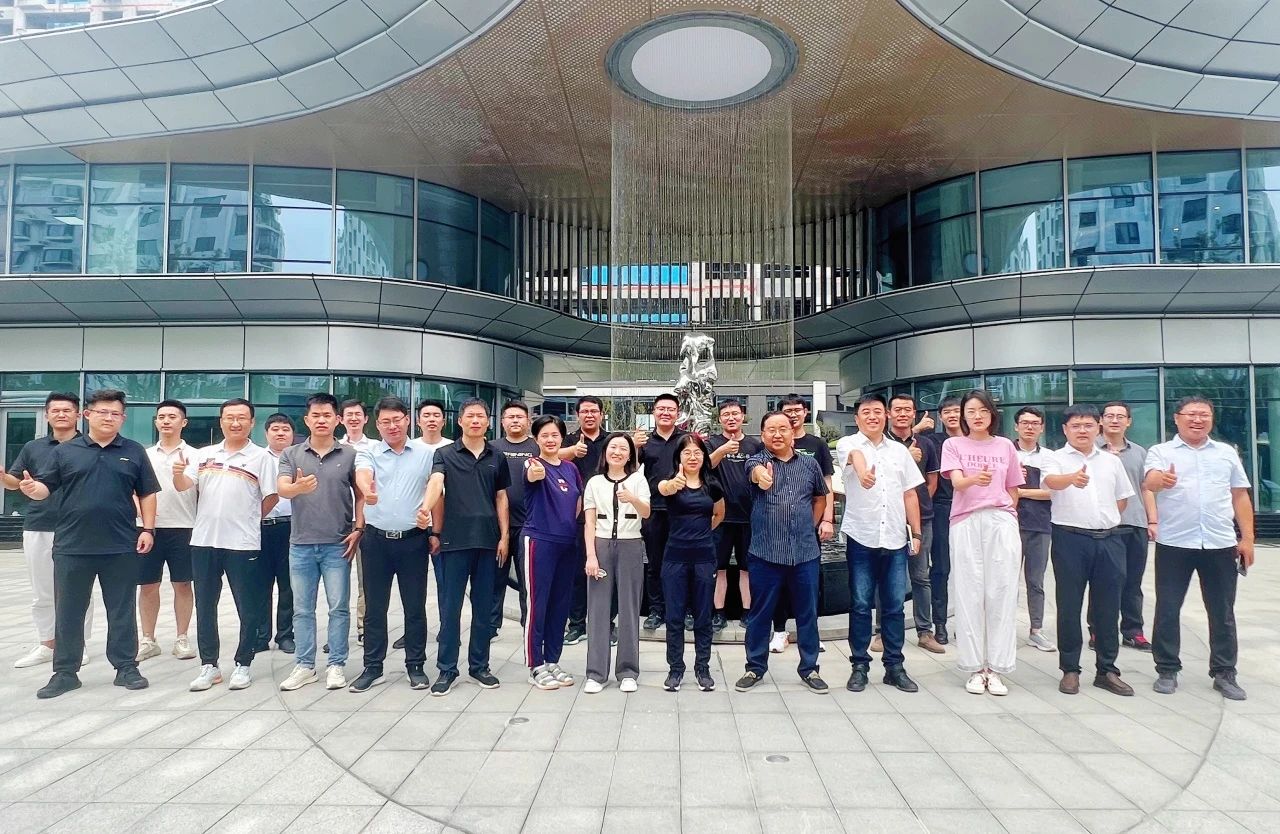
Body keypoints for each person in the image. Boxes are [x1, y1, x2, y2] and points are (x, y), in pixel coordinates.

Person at [20, 388, 161, 699]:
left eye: (115, 413)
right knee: (68, 611)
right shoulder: (66, 451)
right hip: (72, 545)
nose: (109, 418)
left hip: (120, 545)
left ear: (123, 418)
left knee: (121, 609)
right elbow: (45, 489)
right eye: (102, 412)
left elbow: (147, 493)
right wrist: (32, 489)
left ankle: (126, 667)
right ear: (87, 415)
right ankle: (65, 672)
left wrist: (148, 529)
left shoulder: (134, 451)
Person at [1144, 395, 1253, 701]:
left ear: (1211, 419)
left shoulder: (1226, 453)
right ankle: (1167, 669)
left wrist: (1247, 539)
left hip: (1220, 542)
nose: (1197, 420)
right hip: (1175, 543)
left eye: (1204, 414)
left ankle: (1224, 672)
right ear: (1177, 418)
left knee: (1222, 611)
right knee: (1167, 608)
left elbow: (1240, 495)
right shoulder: (1161, 451)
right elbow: (1149, 482)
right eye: (1191, 414)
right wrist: (1161, 479)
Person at [176, 398, 279, 692]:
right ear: (221, 421)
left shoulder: (261, 458)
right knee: (205, 605)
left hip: (242, 543)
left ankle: (243, 663)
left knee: (247, 605)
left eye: (242, 418)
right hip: (204, 540)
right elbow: (184, 486)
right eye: (230, 417)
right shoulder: (204, 454)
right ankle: (209, 665)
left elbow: (271, 496)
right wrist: (176, 474)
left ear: (252, 422)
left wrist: (249, 519)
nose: (236, 423)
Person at [1041, 404, 1135, 696]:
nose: (1082, 430)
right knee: (1069, 606)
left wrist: (1104, 520)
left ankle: (1107, 670)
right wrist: (1071, 479)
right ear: (1065, 429)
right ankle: (1070, 669)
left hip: (1109, 540)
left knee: (1108, 607)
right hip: (1070, 540)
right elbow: (1051, 482)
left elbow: (1122, 499)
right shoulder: (1054, 458)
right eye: (1076, 425)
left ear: (1098, 428)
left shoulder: (1111, 461)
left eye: (1088, 425)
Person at [735, 411, 830, 694]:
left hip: (805, 553)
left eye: (783, 429)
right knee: (760, 614)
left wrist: (809, 525)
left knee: (807, 613)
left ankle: (810, 669)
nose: (777, 434)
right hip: (766, 553)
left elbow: (820, 497)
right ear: (763, 434)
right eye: (771, 430)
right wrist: (762, 477)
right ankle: (755, 667)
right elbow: (755, 473)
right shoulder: (756, 461)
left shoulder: (810, 464)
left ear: (793, 432)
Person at [420, 397, 510, 696]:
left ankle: (479, 666)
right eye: (470, 416)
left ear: (488, 421)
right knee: (451, 608)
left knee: (483, 609)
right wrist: (425, 508)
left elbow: (501, 497)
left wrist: (504, 536)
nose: (475, 420)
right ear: (459, 421)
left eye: (480, 416)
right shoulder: (445, 454)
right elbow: (436, 483)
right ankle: (447, 669)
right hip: (454, 542)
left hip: (488, 541)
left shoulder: (497, 456)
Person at [350, 397, 439, 693]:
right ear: (377, 425)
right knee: (375, 608)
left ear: (407, 420)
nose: (392, 426)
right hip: (376, 541)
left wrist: (431, 521)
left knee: (415, 607)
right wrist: (367, 490)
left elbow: (436, 485)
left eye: (397, 420)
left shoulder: (426, 454)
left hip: (413, 541)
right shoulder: (369, 452)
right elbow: (363, 474)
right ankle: (372, 667)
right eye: (385, 422)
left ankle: (416, 665)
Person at [276, 393, 364, 692]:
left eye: (327, 415)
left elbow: (361, 495)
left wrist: (359, 527)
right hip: (301, 543)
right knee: (302, 609)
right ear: (307, 419)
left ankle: (336, 664)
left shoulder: (350, 454)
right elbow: (282, 489)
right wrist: (297, 487)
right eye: (316, 415)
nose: (321, 420)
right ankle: (305, 665)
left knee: (338, 608)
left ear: (337, 419)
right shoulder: (291, 454)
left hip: (338, 544)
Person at [940, 389, 1024, 696]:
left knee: (1002, 591)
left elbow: (1013, 488)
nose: (977, 416)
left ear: (992, 414)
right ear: (963, 415)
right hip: (966, 521)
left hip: (1000, 521)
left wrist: (1006, 512)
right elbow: (957, 482)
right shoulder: (953, 444)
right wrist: (976, 479)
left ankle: (997, 668)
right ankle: (975, 667)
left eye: (983, 411)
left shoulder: (1005, 446)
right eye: (971, 411)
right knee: (969, 592)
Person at [839, 394, 924, 694]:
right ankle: (859, 666)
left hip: (895, 539)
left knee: (894, 606)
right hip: (861, 537)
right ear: (857, 418)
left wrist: (916, 533)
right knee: (861, 605)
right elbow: (856, 458)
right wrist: (863, 474)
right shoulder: (848, 443)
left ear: (886, 415)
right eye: (866, 412)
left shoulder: (900, 452)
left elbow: (910, 494)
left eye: (877, 411)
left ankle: (894, 666)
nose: (872, 417)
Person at [4, 392, 93, 669]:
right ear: (47, 415)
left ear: (78, 414)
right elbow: (15, 482)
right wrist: (4, 478)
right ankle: (47, 643)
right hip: (39, 524)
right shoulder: (33, 447)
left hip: (80, 527)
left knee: (78, 590)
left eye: (67, 410)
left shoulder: (90, 446)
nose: (61, 414)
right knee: (42, 590)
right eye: (56, 410)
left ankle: (77, 645)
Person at [582, 432, 651, 693]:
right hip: (601, 545)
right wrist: (591, 555)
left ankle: (628, 671)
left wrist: (632, 498)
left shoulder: (638, 480)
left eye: (624, 448)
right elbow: (589, 522)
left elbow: (646, 512)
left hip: (631, 544)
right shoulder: (594, 482)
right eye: (613, 447)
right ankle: (596, 673)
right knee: (598, 609)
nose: (618, 452)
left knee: (629, 608)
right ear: (605, 452)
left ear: (630, 454)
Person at [657, 435, 725, 693]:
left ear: (704, 456)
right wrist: (673, 484)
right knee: (674, 617)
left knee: (703, 616)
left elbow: (719, 514)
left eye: (697, 452)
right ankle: (675, 669)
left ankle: (702, 668)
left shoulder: (712, 485)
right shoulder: (671, 483)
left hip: (704, 557)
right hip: (674, 558)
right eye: (687, 453)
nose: (693, 457)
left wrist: (701, 533)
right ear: (679, 457)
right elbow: (663, 489)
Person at [520, 415, 583, 690]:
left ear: (562, 437)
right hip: (539, 541)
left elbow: (577, 503)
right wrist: (536, 471)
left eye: (555, 435)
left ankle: (552, 660)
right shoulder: (533, 463)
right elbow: (531, 474)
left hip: (567, 544)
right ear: (536, 439)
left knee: (560, 604)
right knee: (538, 604)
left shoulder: (571, 469)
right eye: (544, 435)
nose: (550, 440)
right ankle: (535, 664)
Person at [137, 399, 199, 664]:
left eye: (172, 417)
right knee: (148, 585)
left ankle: (182, 637)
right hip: (148, 529)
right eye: (161, 416)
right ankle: (148, 639)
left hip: (184, 527)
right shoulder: (144, 455)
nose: (166, 421)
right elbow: (133, 489)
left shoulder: (196, 455)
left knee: (183, 584)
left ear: (183, 422)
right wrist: (143, 519)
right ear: (155, 422)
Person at [771, 394, 834, 653]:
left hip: (808, 526)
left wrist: (826, 519)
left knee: (809, 584)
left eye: (797, 410)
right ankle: (779, 631)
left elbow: (826, 485)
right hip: (776, 529)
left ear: (805, 412)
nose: (793, 414)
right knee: (779, 583)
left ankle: (810, 633)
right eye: (788, 410)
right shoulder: (772, 444)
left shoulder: (817, 444)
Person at [1092, 401, 1155, 651]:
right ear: (1101, 420)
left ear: (1128, 421)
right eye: (1109, 416)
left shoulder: (1139, 452)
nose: (1115, 420)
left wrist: (1152, 520)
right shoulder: (1090, 450)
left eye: (1120, 416)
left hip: (1135, 523)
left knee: (1133, 581)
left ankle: (1133, 631)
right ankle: (1098, 631)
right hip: (1104, 525)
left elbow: (1146, 488)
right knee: (1103, 581)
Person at [886, 393, 943, 653]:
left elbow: (932, 482)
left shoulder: (926, 444)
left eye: (907, 409)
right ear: (889, 413)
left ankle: (924, 631)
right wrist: (906, 458)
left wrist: (916, 509)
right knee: (886, 576)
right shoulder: (881, 443)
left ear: (914, 413)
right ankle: (882, 632)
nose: (902, 414)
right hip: (887, 518)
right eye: (897, 409)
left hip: (922, 519)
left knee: (921, 576)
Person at [708, 399, 763, 631]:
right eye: (726, 414)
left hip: (749, 516)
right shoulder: (712, 443)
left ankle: (748, 611)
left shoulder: (754, 445)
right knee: (718, 567)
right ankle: (718, 613)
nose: (731, 418)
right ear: (719, 419)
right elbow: (704, 467)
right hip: (720, 517)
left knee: (746, 567)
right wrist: (722, 450)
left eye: (735, 414)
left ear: (743, 416)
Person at [637, 393, 687, 631]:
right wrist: (634, 445)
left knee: (683, 563)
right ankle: (656, 611)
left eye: (670, 409)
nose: (665, 413)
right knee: (655, 563)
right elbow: (629, 467)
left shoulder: (687, 439)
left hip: (683, 509)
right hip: (654, 509)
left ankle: (684, 610)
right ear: (654, 412)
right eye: (661, 409)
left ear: (678, 413)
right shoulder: (645, 442)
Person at [562, 396, 609, 645]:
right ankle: (577, 624)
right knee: (578, 572)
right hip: (577, 515)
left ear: (601, 414)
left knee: (606, 571)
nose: (589, 415)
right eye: (584, 411)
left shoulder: (610, 440)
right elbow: (549, 456)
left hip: (608, 514)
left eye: (594, 411)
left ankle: (606, 623)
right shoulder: (569, 440)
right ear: (577, 415)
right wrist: (572, 452)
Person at [1012, 406, 1057, 653]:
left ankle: (1036, 630)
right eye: (1025, 423)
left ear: (1041, 428)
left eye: (1035, 423)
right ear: (1016, 426)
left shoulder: (1049, 457)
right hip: (1009, 524)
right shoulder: (1005, 451)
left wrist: (1019, 491)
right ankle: (1004, 629)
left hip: (1040, 525)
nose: (1029, 427)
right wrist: (1030, 491)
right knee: (1006, 580)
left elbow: (1051, 492)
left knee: (1035, 581)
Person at [491, 400, 538, 631]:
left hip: (528, 525)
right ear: (502, 422)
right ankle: (491, 626)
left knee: (527, 580)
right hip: (497, 526)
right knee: (494, 578)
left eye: (520, 417)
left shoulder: (537, 446)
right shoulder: (492, 447)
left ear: (528, 421)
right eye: (510, 417)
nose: (515, 421)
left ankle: (528, 624)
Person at [257, 413, 296, 654]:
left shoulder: (299, 458)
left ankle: (285, 635)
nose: (280, 433)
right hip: (260, 527)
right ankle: (261, 635)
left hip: (291, 527)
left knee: (288, 584)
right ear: (266, 433)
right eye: (275, 429)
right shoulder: (257, 458)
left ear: (293, 434)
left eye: (285, 429)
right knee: (260, 583)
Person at [930, 397, 964, 644]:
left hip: (971, 507)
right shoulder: (933, 441)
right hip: (941, 506)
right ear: (940, 416)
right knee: (941, 568)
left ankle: (966, 623)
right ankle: (939, 623)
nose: (953, 415)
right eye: (947, 412)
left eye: (957, 411)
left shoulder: (975, 440)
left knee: (970, 569)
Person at [340, 399, 373, 647]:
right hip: (338, 521)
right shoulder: (334, 447)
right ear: (340, 419)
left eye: (358, 414)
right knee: (338, 580)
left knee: (366, 580)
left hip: (367, 523)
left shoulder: (376, 448)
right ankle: (338, 632)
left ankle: (365, 628)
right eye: (349, 414)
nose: (353, 418)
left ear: (365, 419)